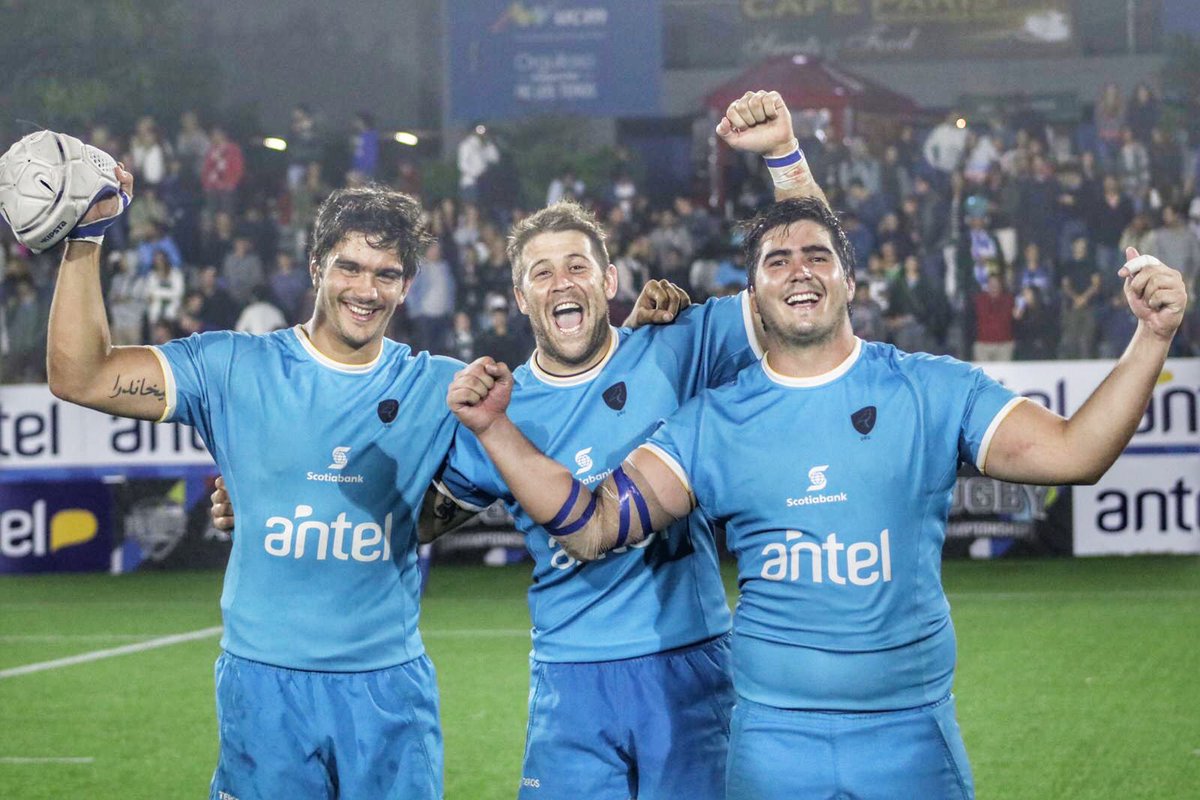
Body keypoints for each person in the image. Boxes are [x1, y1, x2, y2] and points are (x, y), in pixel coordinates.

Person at [447, 197, 1188, 800]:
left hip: (910, 735)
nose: (799, 271)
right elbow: (595, 525)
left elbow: (1077, 454)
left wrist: (1152, 337)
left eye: (818, 256)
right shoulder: (715, 420)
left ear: (850, 280)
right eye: (777, 260)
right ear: (755, 294)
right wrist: (494, 429)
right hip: (772, 745)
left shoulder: (929, 388)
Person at [211, 90, 826, 800]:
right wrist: (264, 501)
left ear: (610, 281)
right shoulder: (498, 408)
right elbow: (408, 523)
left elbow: (807, 281)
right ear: (518, 295)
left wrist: (784, 156)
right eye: (541, 271)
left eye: (576, 265)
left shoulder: (679, 344)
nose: (561, 281)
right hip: (568, 684)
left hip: (686, 668)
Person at [40, 168, 458, 798]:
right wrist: (87, 236)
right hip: (265, 689)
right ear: (315, 267)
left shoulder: (441, 387)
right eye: (349, 267)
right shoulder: (232, 366)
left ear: (407, 286)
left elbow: (517, 467)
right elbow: (81, 376)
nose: (365, 290)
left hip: (387, 690)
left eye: (386, 274)